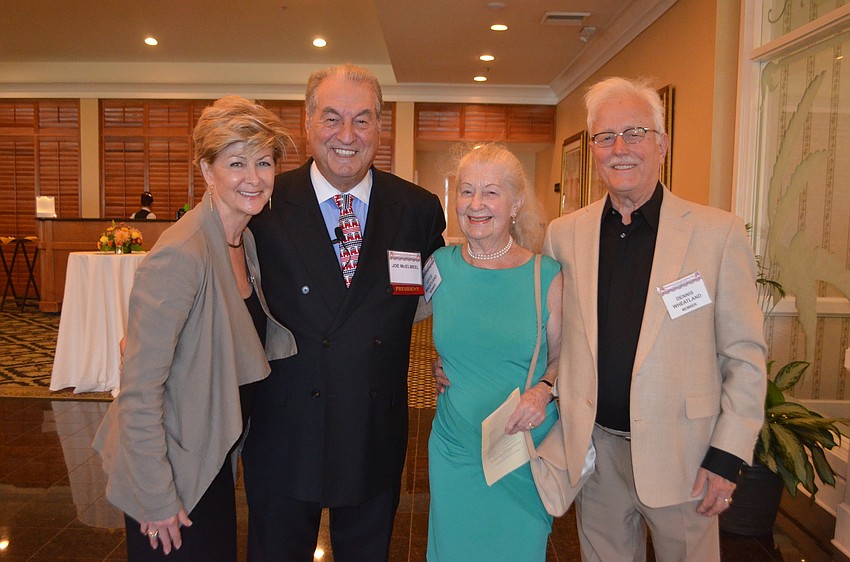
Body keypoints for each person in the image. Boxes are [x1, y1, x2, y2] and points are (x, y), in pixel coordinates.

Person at [544, 77, 767, 561]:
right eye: (605, 137)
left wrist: (727, 455)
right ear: (594, 150)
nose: (620, 149)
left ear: (661, 144)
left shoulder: (717, 234)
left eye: (635, 133)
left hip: (685, 458)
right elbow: (547, 339)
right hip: (597, 456)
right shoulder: (564, 236)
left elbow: (745, 355)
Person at [241, 63, 446, 561]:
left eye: (362, 119)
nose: (347, 136)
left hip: (373, 425)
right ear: (308, 124)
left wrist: (458, 357)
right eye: (332, 119)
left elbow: (447, 295)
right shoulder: (263, 203)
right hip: (283, 426)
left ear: (380, 125)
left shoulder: (417, 209)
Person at [93, 96, 297, 561]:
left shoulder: (242, 241)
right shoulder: (181, 253)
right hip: (171, 474)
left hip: (210, 460)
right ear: (207, 170)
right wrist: (156, 496)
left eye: (263, 162)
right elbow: (139, 391)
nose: (253, 177)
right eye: (236, 162)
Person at [426, 144, 562, 561]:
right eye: (466, 192)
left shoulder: (546, 274)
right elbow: (390, 322)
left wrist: (543, 391)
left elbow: (566, 359)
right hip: (455, 449)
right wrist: (431, 363)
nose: (476, 204)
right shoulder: (439, 265)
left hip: (521, 447)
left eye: (491, 192)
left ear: (515, 203)